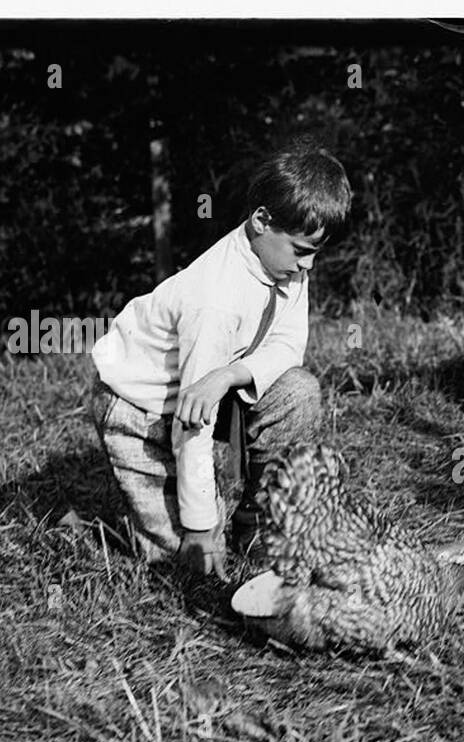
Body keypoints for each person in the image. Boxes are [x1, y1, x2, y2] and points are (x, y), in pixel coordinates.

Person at [88, 143, 351, 579]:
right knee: (186, 562)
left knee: (299, 390)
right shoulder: (213, 303)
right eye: (302, 250)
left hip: (210, 384)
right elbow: (194, 424)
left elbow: (288, 349)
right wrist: (199, 526)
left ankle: (259, 520)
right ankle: (138, 511)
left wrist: (228, 375)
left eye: (315, 252)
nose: (309, 265)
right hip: (139, 408)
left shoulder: (287, 264)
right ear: (262, 221)